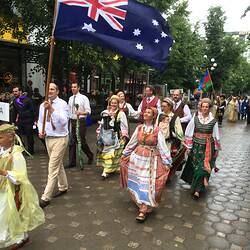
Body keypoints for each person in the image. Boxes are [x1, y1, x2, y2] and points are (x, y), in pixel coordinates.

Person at [120, 107, 172, 222]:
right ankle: (141, 203)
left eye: (149, 112)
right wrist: (125, 154)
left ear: (153, 116)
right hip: (137, 159)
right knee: (138, 181)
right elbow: (132, 142)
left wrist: (167, 161)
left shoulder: (157, 130)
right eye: (145, 112)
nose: (145, 113)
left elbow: (162, 146)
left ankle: (143, 209)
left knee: (148, 183)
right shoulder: (139, 128)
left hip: (150, 160)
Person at [0, 124, 44, 249]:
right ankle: (22, 236)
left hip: (11, 190)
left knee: (11, 214)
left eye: (0, 138)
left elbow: (20, 177)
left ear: (10, 137)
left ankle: (18, 238)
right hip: (2, 188)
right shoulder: (2, 151)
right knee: (11, 214)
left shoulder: (16, 155)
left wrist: (3, 172)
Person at [181, 98, 221, 200]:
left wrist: (216, 149)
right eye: (203, 107)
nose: (204, 108)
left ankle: (197, 191)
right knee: (196, 168)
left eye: (207, 107)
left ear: (209, 108)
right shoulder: (195, 118)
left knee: (202, 169)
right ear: (200, 107)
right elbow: (189, 133)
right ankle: (198, 185)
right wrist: (188, 147)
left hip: (208, 147)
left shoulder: (213, 121)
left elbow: (216, 136)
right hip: (195, 146)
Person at [37, 83, 69, 208]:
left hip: (60, 139)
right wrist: (40, 130)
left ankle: (46, 197)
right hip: (48, 138)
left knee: (52, 167)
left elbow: (63, 122)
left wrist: (51, 109)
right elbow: (40, 121)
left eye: (52, 89)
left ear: (57, 91)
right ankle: (63, 186)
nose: (49, 91)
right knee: (57, 164)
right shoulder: (42, 105)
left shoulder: (63, 104)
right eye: (48, 89)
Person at [96, 95, 128, 178]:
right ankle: (107, 169)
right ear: (109, 103)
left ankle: (106, 171)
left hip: (115, 136)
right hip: (105, 136)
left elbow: (124, 125)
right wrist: (99, 132)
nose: (113, 104)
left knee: (113, 153)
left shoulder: (121, 113)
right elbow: (102, 124)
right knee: (106, 152)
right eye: (112, 103)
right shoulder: (106, 112)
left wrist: (124, 134)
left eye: (115, 103)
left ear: (118, 104)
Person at [157, 98, 185, 179]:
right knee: (158, 160)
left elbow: (179, 132)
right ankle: (160, 176)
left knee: (167, 161)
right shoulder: (160, 116)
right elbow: (156, 127)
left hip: (168, 143)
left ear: (170, 107)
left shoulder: (175, 117)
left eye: (165, 106)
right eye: (162, 106)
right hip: (159, 143)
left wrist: (182, 142)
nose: (163, 108)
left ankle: (166, 177)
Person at [68, 82, 94, 168]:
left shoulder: (84, 98)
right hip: (72, 121)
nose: (73, 89)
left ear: (78, 88)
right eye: (72, 87)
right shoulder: (71, 98)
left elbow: (88, 111)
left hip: (81, 121)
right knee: (72, 141)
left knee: (81, 140)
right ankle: (72, 162)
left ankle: (90, 155)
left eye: (75, 87)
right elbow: (69, 111)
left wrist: (81, 113)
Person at [12, 86, 35, 154]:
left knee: (29, 136)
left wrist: (33, 120)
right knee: (17, 134)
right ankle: (22, 147)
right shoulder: (15, 101)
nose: (14, 93)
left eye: (16, 91)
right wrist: (13, 122)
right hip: (20, 121)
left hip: (28, 120)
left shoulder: (28, 100)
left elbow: (32, 110)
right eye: (13, 92)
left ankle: (31, 151)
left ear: (20, 91)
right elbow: (15, 112)